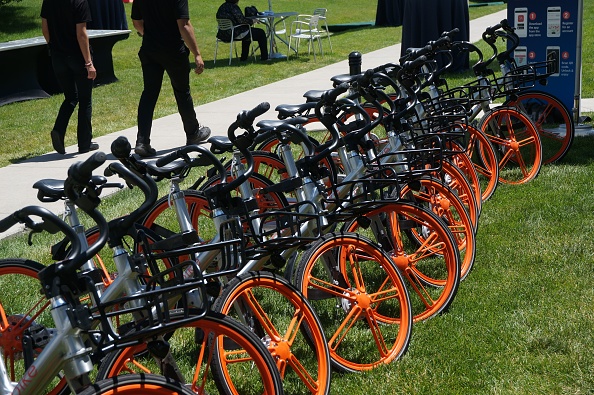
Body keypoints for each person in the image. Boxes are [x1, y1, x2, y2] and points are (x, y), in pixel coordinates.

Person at [131, 0, 211, 158]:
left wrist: (151, 35)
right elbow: (184, 25)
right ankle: (193, 132)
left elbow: (136, 22)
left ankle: (142, 141)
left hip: (150, 49)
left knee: (149, 93)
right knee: (182, 91)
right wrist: (197, 54)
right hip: (173, 49)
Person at [41, 0, 99, 155]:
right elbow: (81, 34)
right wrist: (88, 62)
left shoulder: (48, 2)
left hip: (58, 57)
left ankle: (58, 130)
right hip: (77, 57)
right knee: (85, 99)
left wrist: (53, 47)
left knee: (70, 97)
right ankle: (84, 143)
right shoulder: (79, 2)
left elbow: (45, 29)